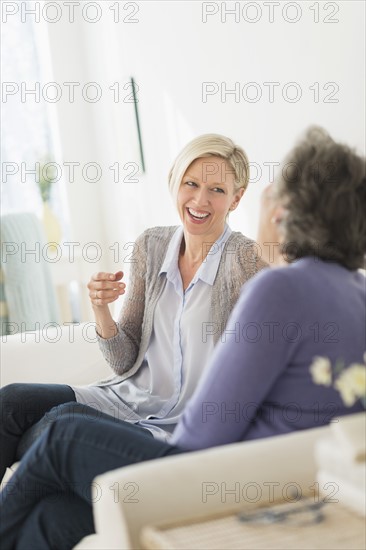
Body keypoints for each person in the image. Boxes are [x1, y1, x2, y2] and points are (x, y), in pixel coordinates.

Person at [1, 126, 365, 550]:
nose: (202, 199)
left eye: (269, 195)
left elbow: (202, 432)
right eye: (191, 184)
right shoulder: (355, 290)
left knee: (61, 433)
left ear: (284, 210)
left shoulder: (277, 286)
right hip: (267, 475)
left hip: (216, 474)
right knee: (53, 516)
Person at [0, 134, 267, 481]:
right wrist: (100, 309)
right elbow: (125, 359)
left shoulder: (246, 262)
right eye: (192, 183)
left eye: (217, 190)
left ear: (236, 198)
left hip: (176, 427)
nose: (200, 200)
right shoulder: (151, 245)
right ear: (175, 181)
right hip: (121, 400)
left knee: (56, 424)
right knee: (11, 402)